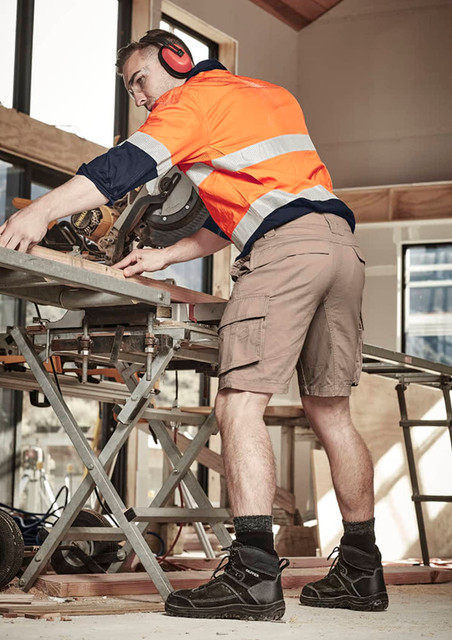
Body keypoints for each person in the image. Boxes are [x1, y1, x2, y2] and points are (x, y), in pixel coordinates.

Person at [0, 29, 388, 620]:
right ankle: (363, 571)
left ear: (177, 61)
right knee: (331, 411)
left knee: (238, 406)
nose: (139, 97)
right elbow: (248, 205)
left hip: (284, 255)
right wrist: (166, 255)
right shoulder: (269, 96)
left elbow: (125, 165)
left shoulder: (190, 102)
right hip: (339, 248)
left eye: (140, 81)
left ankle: (254, 573)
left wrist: (46, 210)